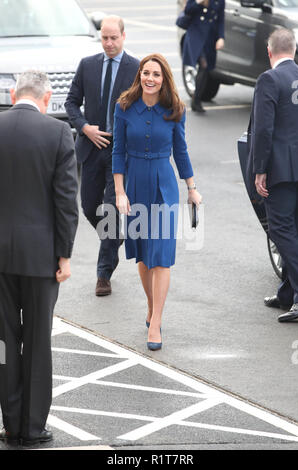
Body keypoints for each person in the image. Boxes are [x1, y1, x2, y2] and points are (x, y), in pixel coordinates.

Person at [0, 71, 78, 446]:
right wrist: (64, 255)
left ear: (13, 94)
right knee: (36, 340)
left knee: (3, 341)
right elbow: (65, 202)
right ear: (47, 98)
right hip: (40, 256)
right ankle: (32, 428)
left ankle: (11, 423)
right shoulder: (58, 133)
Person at [112, 54, 202, 350]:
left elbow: (182, 151)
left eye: (156, 74)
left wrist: (192, 188)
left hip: (164, 184)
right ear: (140, 75)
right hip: (135, 182)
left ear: (164, 79)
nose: (150, 78)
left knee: (161, 255)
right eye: (146, 73)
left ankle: (156, 322)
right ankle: (151, 306)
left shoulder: (175, 109)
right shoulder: (124, 106)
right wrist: (120, 192)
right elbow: (117, 152)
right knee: (142, 254)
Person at [65, 16, 139, 297]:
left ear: (123, 36)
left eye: (113, 38)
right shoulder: (88, 65)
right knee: (88, 206)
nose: (108, 43)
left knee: (109, 209)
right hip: (91, 146)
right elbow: (72, 102)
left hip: (121, 150)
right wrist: (84, 127)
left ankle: (103, 273)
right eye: (104, 38)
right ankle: (115, 237)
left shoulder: (136, 69)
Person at [250, 28, 298, 322]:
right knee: (295, 228)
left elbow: (263, 130)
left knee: (280, 230)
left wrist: (260, 170)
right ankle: (287, 294)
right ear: (293, 50)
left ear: (270, 52)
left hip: (280, 169)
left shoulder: (268, 79)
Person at [182, 0, 225, 113]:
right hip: (195, 34)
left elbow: (221, 19)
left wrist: (221, 37)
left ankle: (197, 98)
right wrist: (198, 2)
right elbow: (187, 10)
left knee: (206, 68)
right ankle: (196, 99)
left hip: (210, 38)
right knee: (203, 64)